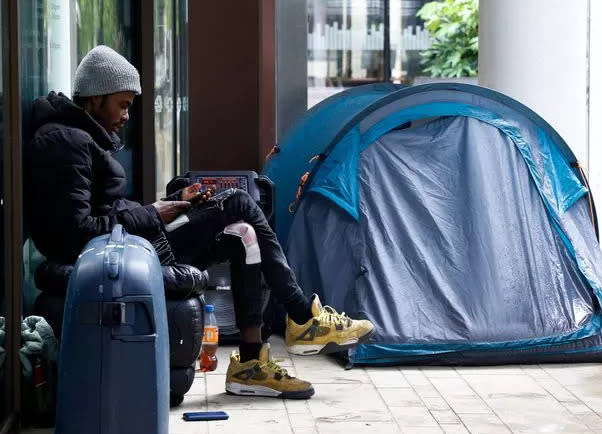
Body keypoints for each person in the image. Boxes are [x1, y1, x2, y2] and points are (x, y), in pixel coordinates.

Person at [25, 45, 374, 400]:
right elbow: (73, 234)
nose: (127, 116)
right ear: (96, 98)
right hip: (126, 256)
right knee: (238, 202)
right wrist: (154, 213)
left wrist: (170, 205)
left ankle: (251, 365)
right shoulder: (64, 143)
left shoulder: (77, 139)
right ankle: (303, 317)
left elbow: (105, 213)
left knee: (244, 235)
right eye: (124, 103)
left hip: (135, 247)